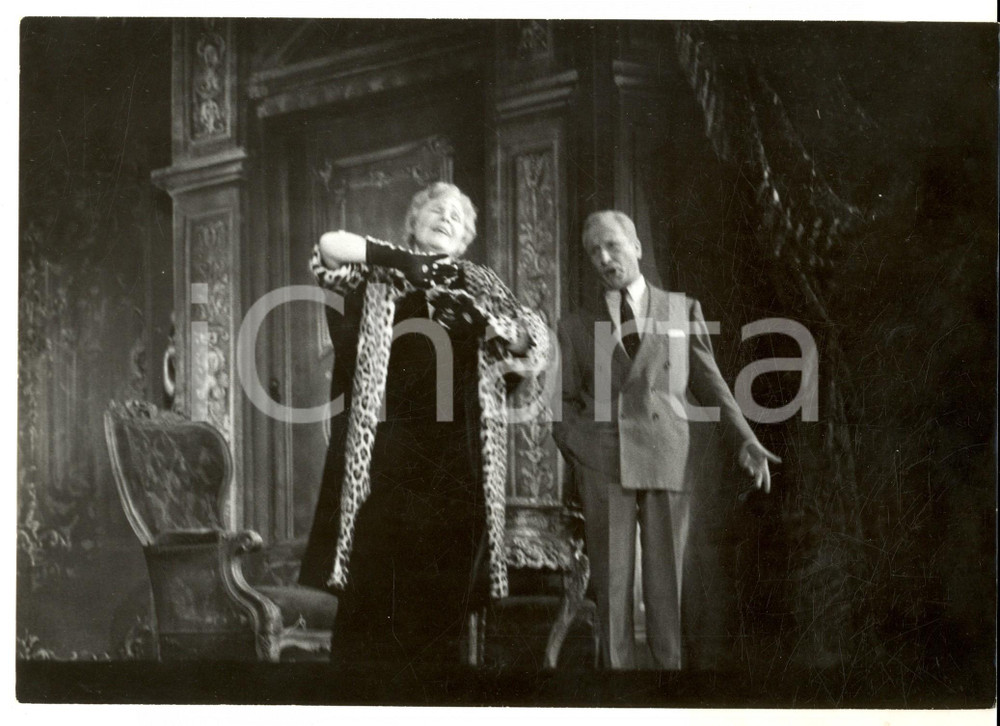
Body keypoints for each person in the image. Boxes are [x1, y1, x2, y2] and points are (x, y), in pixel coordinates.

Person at [298, 182, 547, 667]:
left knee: (440, 610)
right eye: (437, 208)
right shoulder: (379, 273)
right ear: (414, 221)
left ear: (466, 237)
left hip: (458, 459)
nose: (447, 217)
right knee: (371, 600)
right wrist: (398, 260)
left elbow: (530, 345)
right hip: (387, 454)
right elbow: (328, 247)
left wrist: (492, 327)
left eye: (458, 215)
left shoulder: (481, 281)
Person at [552, 210, 780, 670]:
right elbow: (561, 405)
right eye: (594, 251)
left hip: (666, 456)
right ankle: (617, 691)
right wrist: (583, 454)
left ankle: (667, 688)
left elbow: (710, 383)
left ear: (637, 246)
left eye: (613, 245)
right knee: (613, 588)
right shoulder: (574, 324)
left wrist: (744, 440)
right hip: (605, 465)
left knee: (665, 583)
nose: (604, 257)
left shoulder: (681, 308)